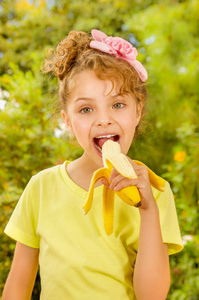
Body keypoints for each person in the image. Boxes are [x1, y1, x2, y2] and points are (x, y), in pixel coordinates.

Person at [2, 29, 183, 300]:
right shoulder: (41, 187)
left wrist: (148, 211)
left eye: (118, 104)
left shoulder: (156, 192)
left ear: (138, 110)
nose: (104, 120)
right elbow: (17, 287)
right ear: (67, 120)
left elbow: (152, 296)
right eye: (86, 109)